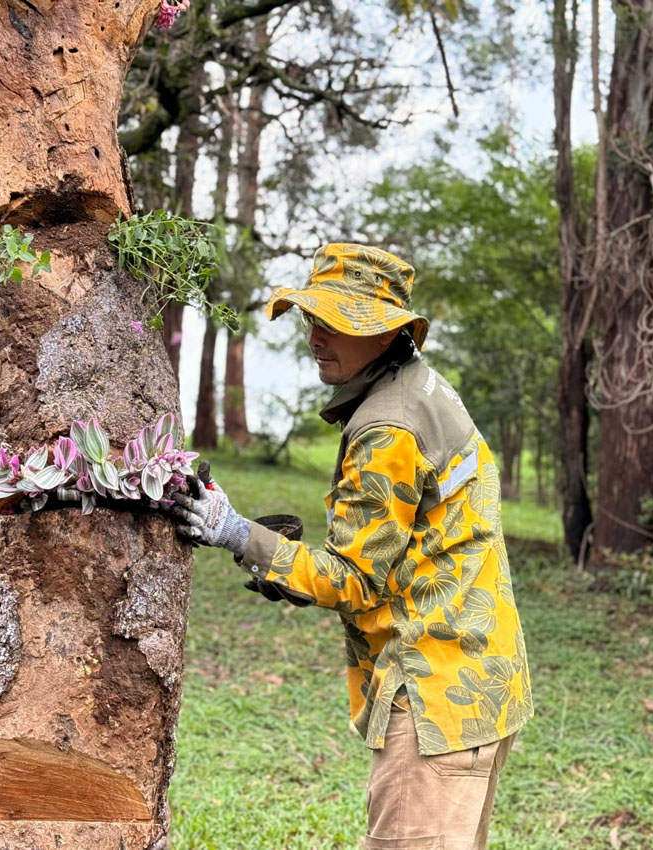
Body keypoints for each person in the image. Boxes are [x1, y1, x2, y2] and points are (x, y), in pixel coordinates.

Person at [170, 243, 533, 850]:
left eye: (337, 323)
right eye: (313, 319)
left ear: (386, 331)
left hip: (434, 696)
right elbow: (404, 547)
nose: (317, 337)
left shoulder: (388, 427)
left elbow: (354, 580)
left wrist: (235, 532)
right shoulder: (423, 387)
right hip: (480, 677)